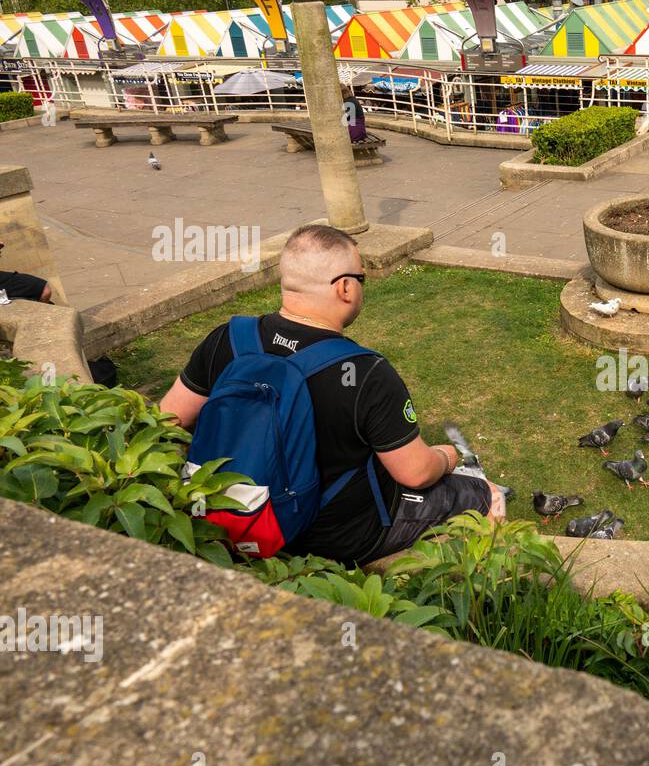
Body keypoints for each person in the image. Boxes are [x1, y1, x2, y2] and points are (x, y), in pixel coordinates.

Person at [159, 224, 506, 564]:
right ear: (344, 288)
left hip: (232, 516)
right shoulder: (366, 371)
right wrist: (445, 456)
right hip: (335, 537)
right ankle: (481, 600)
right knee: (487, 495)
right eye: (361, 279)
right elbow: (414, 473)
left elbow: (169, 420)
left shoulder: (227, 339)